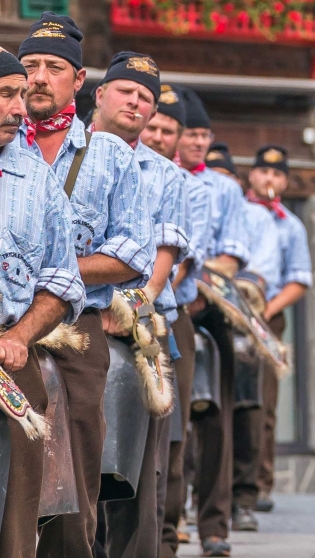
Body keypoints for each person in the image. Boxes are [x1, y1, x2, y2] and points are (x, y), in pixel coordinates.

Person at [18, 13, 154, 558]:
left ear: (79, 82)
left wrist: (56, 269)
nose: (40, 77)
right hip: (4, 318)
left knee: (75, 460)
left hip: (77, 327)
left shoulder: (111, 156)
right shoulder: (6, 149)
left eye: (55, 67)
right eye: (30, 66)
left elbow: (132, 254)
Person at [90, 52, 186, 558]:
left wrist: (127, 304)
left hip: (137, 324)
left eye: (145, 98)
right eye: (126, 91)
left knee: (136, 474)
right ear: (98, 93)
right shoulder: (63, 151)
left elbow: (162, 254)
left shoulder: (166, 174)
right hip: (68, 316)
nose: (135, 102)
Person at [0, 49, 86, 558]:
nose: (19, 106)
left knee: (19, 506)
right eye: (6, 94)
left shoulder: (38, 180)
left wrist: (19, 336)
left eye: (19, 95)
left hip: (14, 357)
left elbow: (63, 281)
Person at [176, 89, 251, 557]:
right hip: (169, 306)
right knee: (173, 423)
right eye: (193, 133)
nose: (200, 141)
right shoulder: (160, 176)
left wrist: (199, 288)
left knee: (217, 423)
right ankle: (174, 516)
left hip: (212, 310)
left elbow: (231, 253)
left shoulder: (225, 187)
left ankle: (215, 526)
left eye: (206, 134)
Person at [141, 84, 214, 558]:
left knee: (172, 435)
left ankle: (166, 537)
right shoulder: (115, 168)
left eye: (169, 130)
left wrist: (145, 291)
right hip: (112, 310)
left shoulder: (191, 187)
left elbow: (184, 260)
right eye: (154, 127)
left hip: (169, 314)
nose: (159, 136)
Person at [230, 145, 312, 529]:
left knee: (261, 404)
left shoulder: (290, 225)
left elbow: (299, 279)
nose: (269, 179)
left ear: (285, 181)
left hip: (268, 316)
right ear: (252, 175)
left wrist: (267, 310)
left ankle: (259, 485)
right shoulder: (235, 212)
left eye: (277, 175)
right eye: (263, 172)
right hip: (226, 310)